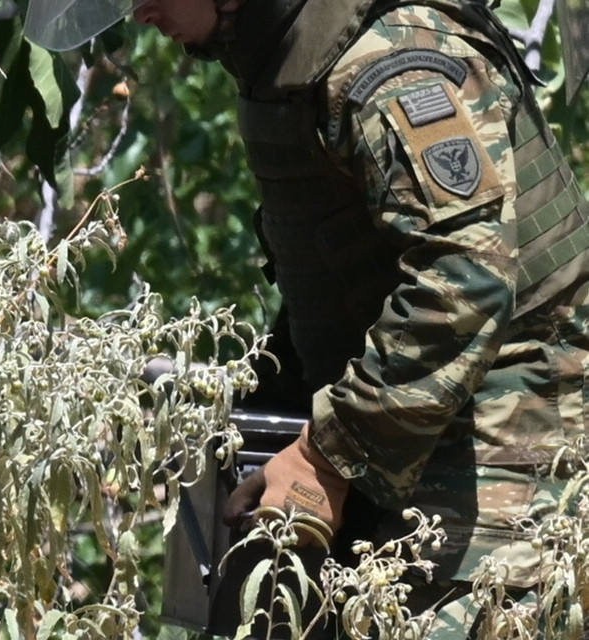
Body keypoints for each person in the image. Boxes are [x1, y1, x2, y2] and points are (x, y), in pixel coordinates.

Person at [30, 0, 589, 636]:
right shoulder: (290, 61)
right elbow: (349, 275)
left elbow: (465, 279)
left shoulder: (389, 67)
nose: (141, 12)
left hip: (518, 448)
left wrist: (327, 456)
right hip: (422, 432)